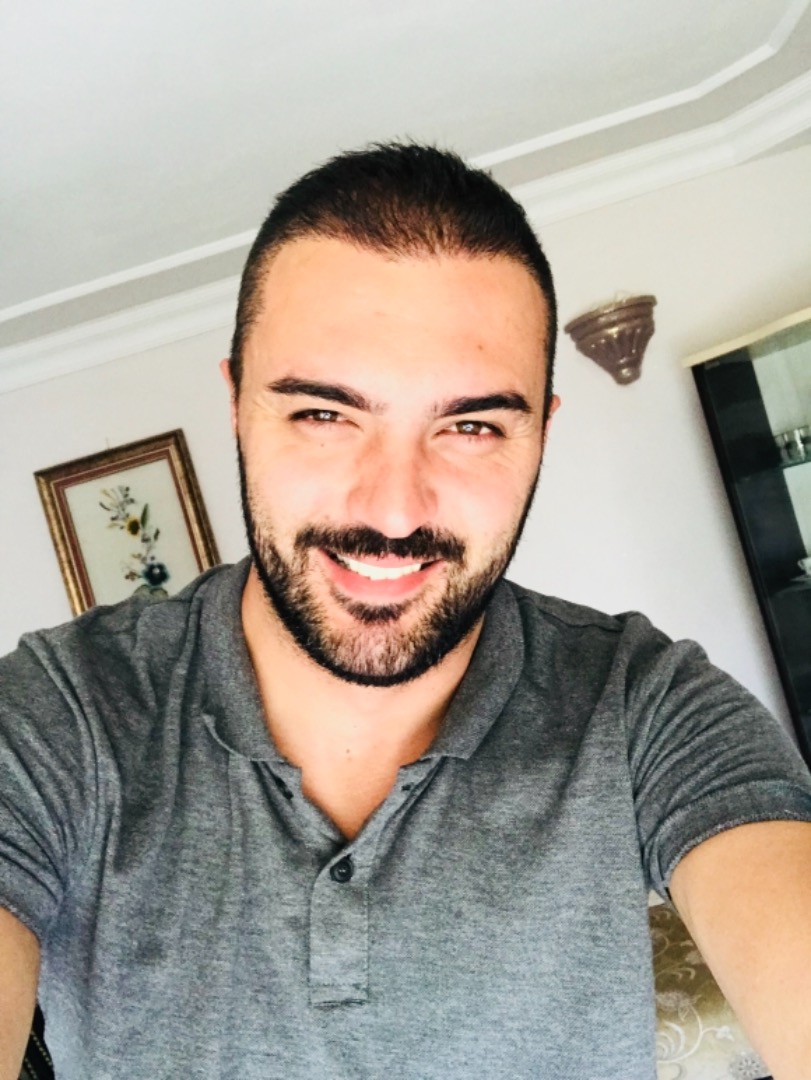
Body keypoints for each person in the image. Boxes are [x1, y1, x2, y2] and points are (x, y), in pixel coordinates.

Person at [1, 143, 810, 1080]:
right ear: (238, 407)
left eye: (470, 426)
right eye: (324, 415)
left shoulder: (644, 707)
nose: (392, 512)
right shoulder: (59, 717)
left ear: (540, 434)